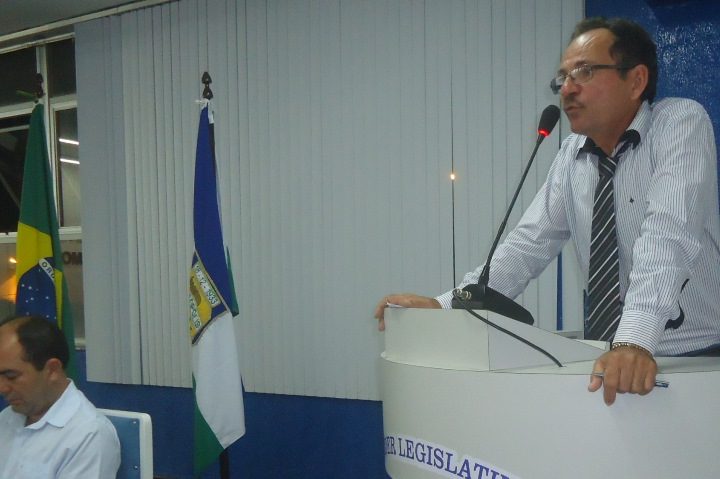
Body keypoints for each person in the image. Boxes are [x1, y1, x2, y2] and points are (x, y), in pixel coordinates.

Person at [375, 17, 720, 406]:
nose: (567, 89)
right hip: (610, 357)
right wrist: (447, 306)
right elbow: (527, 246)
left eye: (584, 72)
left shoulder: (678, 123)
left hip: (697, 362)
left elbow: (669, 236)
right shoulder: (573, 153)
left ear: (636, 81)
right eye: (563, 78)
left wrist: (635, 339)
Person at [0, 315, 120, 478]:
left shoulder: (88, 434)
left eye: (11, 376)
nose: (2, 388)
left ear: (52, 370)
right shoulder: (8, 417)